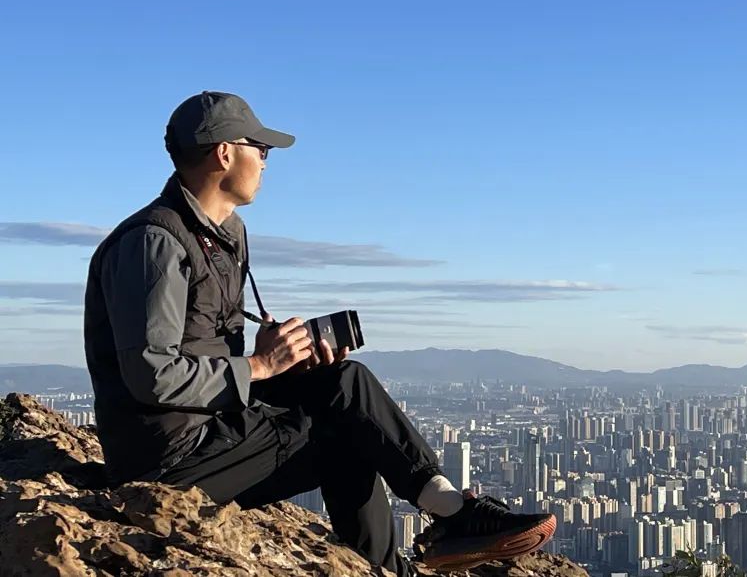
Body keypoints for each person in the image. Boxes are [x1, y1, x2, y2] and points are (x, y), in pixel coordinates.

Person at [83, 91, 556, 575]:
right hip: (171, 458)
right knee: (347, 435)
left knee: (345, 381)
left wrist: (277, 357)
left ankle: (449, 509)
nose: (266, 163)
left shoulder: (227, 234)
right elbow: (150, 373)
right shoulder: (154, 242)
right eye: (260, 150)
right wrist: (260, 367)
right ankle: (405, 556)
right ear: (224, 153)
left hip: (213, 423)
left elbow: (202, 347)